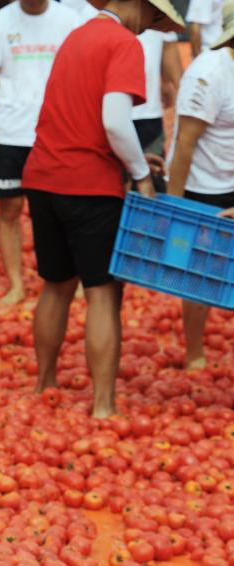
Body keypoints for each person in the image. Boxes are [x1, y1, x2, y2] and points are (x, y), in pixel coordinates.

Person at [20, 0, 183, 418]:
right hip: (89, 185)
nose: (150, 28)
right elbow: (114, 121)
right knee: (103, 294)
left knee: (56, 284)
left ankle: (45, 383)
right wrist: (141, 173)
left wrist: (135, 161)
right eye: (152, 17)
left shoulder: (76, 36)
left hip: (43, 176)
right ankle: (104, 405)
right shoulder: (123, 42)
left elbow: (80, 113)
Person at [0, 0, 78, 308]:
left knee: (66, 209)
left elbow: (79, 75)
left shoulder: (69, 20)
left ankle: (71, 279)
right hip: (9, 131)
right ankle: (16, 284)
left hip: (56, 132)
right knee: (9, 211)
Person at [165, 0, 234, 370]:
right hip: (203, 186)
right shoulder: (209, 73)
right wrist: (173, 206)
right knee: (200, 275)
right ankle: (195, 353)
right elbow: (185, 144)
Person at [132, 28, 182, 192]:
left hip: (149, 117)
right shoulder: (87, 14)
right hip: (108, 119)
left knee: (154, 185)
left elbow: (175, 79)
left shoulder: (161, 19)